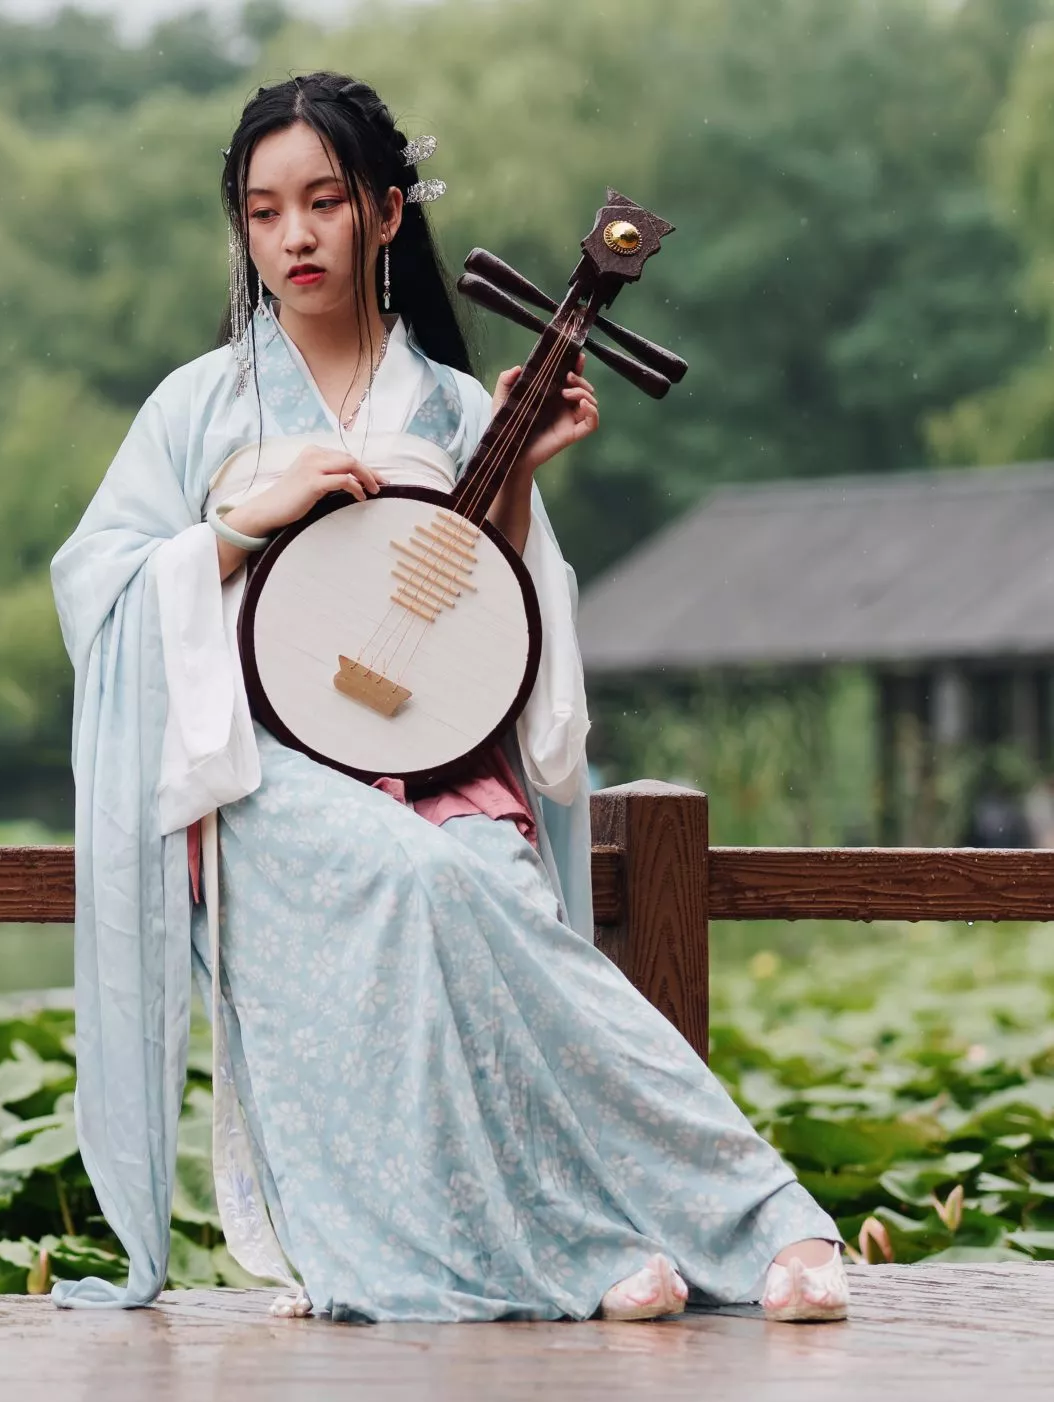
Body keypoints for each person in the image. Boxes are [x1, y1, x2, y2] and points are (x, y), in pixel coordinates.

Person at [48, 70, 847, 1324]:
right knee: (422, 878)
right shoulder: (198, 406)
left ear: (385, 212)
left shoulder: (453, 403)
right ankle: (554, 1254)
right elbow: (96, 596)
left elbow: (496, 604)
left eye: (322, 201)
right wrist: (240, 524)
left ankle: (757, 1218)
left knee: (489, 888)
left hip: (435, 758)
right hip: (262, 779)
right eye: (263, 212)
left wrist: (512, 473)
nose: (293, 237)